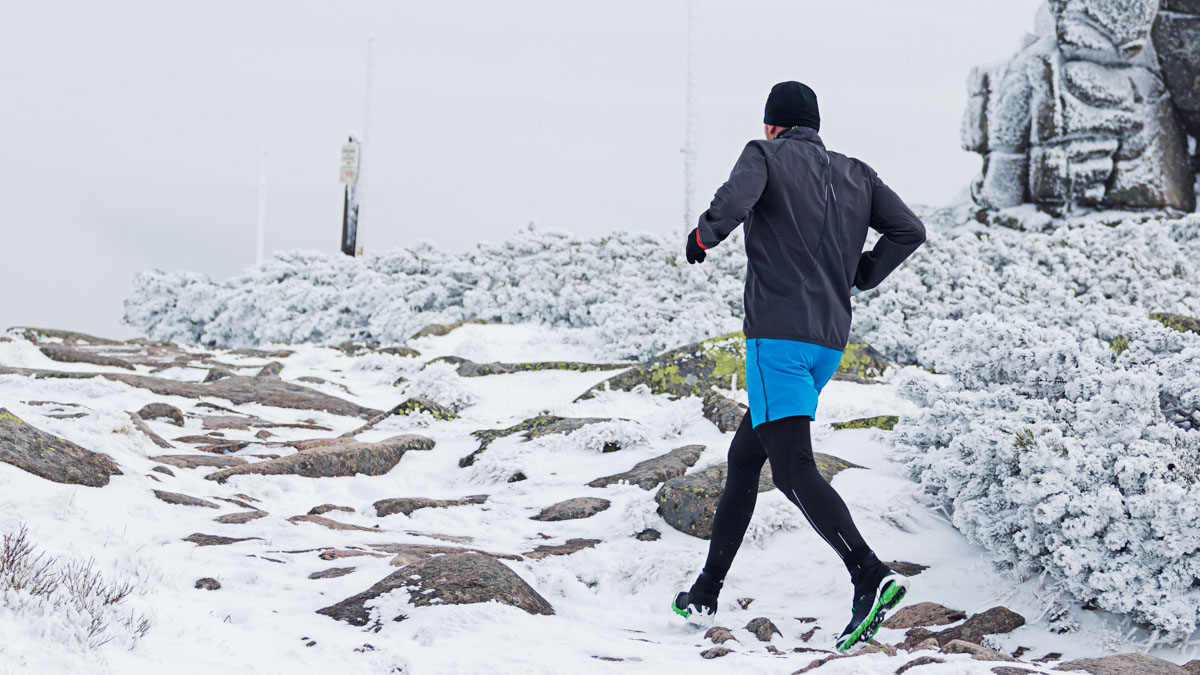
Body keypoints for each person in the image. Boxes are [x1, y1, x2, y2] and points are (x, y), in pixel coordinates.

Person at [671, 81, 926, 654]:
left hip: (777, 340)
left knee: (790, 471)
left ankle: (869, 573)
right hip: (827, 345)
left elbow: (736, 201)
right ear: (814, 124)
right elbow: (910, 230)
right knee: (745, 460)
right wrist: (861, 272)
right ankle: (706, 590)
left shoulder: (764, 155)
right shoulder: (858, 172)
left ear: (772, 126)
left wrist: (702, 235)